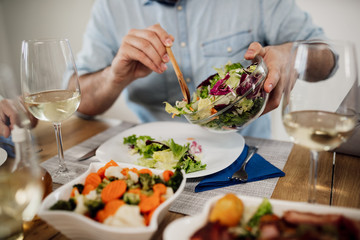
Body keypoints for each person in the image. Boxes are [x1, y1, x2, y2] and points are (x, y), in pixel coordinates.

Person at [1, 0, 327, 139]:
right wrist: (116, 75)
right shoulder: (111, 7)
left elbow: (327, 58)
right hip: (155, 158)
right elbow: (79, 101)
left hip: (246, 154)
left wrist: (291, 55)